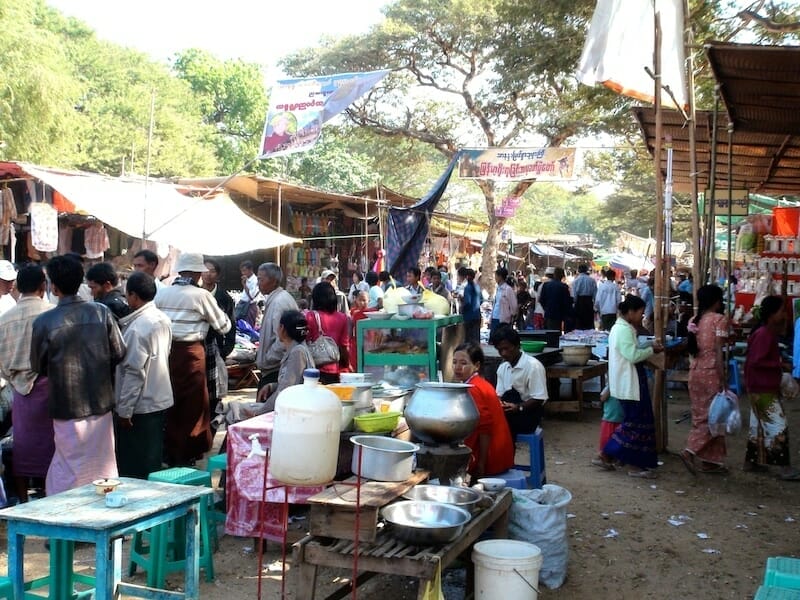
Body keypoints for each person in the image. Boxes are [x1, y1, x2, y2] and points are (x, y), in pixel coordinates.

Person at [31, 255, 126, 494]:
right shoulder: (101, 312)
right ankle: (103, 510)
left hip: (66, 403)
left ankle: (66, 516)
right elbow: (119, 352)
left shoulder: (44, 321)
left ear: (53, 286)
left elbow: (38, 365)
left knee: (69, 464)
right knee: (102, 462)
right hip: (99, 400)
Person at [155, 253, 231, 466]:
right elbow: (224, 326)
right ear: (198, 273)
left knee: (171, 403)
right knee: (193, 406)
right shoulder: (201, 296)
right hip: (192, 354)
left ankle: (170, 452)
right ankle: (187, 453)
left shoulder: (162, 293)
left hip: (167, 353)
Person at [0, 265, 53, 502]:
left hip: (19, 390)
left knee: (22, 446)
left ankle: (24, 502)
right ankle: (51, 498)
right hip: (49, 387)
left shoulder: (5, 319)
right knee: (53, 447)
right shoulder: (52, 313)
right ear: (43, 287)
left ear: (18, 287)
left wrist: (15, 379)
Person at [595, 295, 663, 478]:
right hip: (629, 383)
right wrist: (651, 350)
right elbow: (632, 355)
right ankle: (628, 462)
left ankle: (609, 455)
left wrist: (647, 344)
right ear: (631, 312)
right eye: (640, 313)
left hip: (628, 381)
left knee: (635, 423)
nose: (642, 317)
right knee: (636, 424)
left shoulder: (623, 328)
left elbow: (630, 349)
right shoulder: (623, 330)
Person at [114, 271, 173, 479]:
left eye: (126, 295)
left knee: (136, 464)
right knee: (151, 458)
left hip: (141, 405)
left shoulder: (138, 328)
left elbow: (134, 372)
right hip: (157, 399)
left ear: (133, 296)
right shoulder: (162, 319)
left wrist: (124, 410)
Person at [745, 295, 800, 479]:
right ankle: (784, 467)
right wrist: (779, 365)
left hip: (759, 386)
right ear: (771, 314)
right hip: (762, 387)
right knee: (778, 426)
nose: (784, 314)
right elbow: (756, 362)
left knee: (758, 427)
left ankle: (751, 462)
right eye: (781, 311)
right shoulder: (764, 334)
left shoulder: (764, 332)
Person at [680, 284, 730, 475]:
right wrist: (723, 377)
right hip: (711, 372)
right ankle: (689, 451)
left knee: (703, 415)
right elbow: (718, 351)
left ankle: (712, 460)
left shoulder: (695, 320)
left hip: (695, 372)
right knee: (714, 417)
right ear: (717, 301)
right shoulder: (719, 320)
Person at [453, 342, 514, 479]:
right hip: (502, 454)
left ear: (477, 366)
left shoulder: (473, 388)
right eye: (454, 362)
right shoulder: (480, 383)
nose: (457, 367)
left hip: (491, 459)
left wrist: (481, 464)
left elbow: (485, 428)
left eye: (463, 363)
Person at [491, 323, 548, 439]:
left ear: (517, 345)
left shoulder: (533, 366)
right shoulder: (502, 368)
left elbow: (539, 398)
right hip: (508, 411)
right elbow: (499, 395)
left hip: (528, 414)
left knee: (501, 428)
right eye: (500, 350)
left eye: (507, 348)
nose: (504, 353)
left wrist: (518, 407)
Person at [201, 258, 236, 433]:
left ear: (218, 275)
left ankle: (211, 430)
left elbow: (231, 326)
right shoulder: (196, 294)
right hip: (200, 350)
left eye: (212, 270)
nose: (208, 274)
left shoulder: (224, 298)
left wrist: (225, 350)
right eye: (205, 270)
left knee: (215, 394)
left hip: (216, 351)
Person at [256, 263, 299, 387]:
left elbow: (283, 340)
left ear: (273, 281)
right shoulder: (277, 299)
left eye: (261, 279)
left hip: (275, 369)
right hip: (274, 368)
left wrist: (268, 358)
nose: (258, 283)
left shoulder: (279, 302)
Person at [306, 282, 350, 384]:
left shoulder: (310, 316)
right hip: (334, 368)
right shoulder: (343, 318)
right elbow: (344, 346)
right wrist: (346, 365)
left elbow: (305, 343)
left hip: (313, 369)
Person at [539, 267, 572, 332]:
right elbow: (567, 303)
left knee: (548, 334)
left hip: (548, 313)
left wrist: (546, 308)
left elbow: (541, 300)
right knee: (556, 334)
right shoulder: (563, 287)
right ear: (562, 276)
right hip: (558, 315)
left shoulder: (546, 285)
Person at [490, 267, 517, 337]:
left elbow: (513, 306)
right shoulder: (498, 289)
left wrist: (510, 316)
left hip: (503, 320)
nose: (495, 278)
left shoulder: (508, 290)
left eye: (496, 276)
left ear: (500, 277)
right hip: (495, 317)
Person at [349, 290, 371, 371]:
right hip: (356, 341)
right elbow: (350, 330)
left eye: (364, 300)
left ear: (369, 300)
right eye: (360, 300)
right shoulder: (352, 312)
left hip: (369, 341)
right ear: (356, 300)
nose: (362, 303)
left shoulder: (372, 312)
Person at [571, 264, 597, 330]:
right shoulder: (592, 280)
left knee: (579, 324)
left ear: (578, 271)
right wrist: (595, 306)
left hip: (579, 303)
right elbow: (595, 294)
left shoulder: (575, 281)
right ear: (586, 270)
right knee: (589, 322)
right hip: (589, 302)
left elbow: (574, 295)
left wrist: (574, 305)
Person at [461, 268, 482, 344]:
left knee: (469, 339)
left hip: (469, 316)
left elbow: (467, 302)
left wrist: (462, 309)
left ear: (466, 277)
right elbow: (481, 299)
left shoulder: (467, 288)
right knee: (476, 337)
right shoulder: (477, 286)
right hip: (477, 315)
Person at [239, 260, 262, 326]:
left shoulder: (255, 280)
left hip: (250, 307)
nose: (243, 273)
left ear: (250, 270)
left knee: (248, 327)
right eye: (242, 271)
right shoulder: (247, 279)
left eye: (244, 270)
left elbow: (251, 296)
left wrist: (244, 284)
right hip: (243, 305)